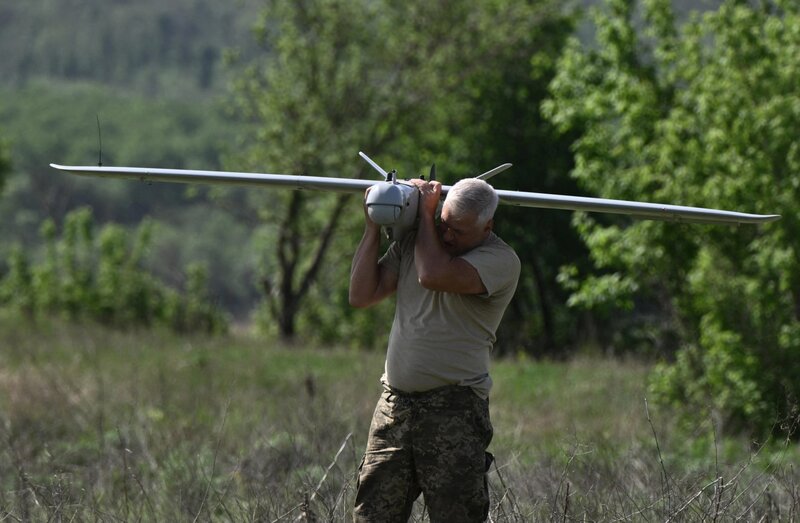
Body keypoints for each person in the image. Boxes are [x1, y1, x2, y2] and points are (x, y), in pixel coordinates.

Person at [349, 177, 521, 522]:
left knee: (455, 516)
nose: (447, 236)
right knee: (372, 515)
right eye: (444, 224)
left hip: (453, 410)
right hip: (394, 406)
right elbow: (361, 294)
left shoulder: (500, 261)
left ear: (488, 226)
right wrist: (373, 225)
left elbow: (432, 275)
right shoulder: (418, 243)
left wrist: (426, 217)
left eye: (458, 230)